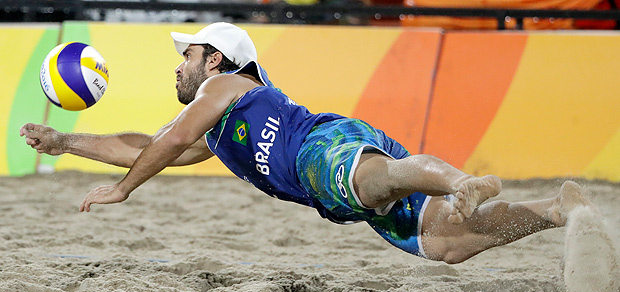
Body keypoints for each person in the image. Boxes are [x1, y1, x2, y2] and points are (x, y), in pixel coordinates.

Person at [20, 22, 595, 264]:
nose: (179, 65)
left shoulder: (222, 87)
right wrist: (66, 140)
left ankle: (459, 181)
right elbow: (149, 146)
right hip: (329, 170)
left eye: (187, 55)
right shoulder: (217, 129)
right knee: (446, 244)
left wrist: (123, 191)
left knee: (380, 180)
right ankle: (554, 210)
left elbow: (169, 138)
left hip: (318, 150)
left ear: (215, 60)